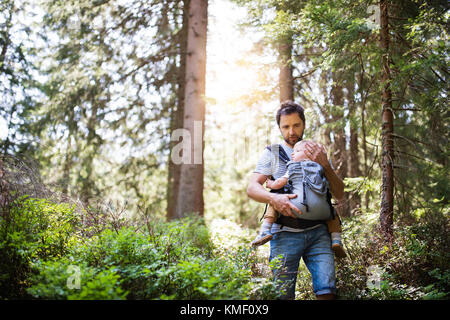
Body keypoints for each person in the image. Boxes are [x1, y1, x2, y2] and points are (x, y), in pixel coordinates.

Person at [246, 100, 345, 300]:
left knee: (327, 291)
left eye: (296, 125)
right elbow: (252, 187)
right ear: (280, 128)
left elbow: (339, 193)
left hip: (319, 232)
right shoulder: (272, 153)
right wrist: (274, 198)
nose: (292, 131)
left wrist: (325, 165)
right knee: (283, 295)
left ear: (304, 124)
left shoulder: (316, 151)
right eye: (286, 126)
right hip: (284, 234)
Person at [251, 139, 346, 259]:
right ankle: (336, 239)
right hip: (322, 213)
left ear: (309, 154)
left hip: (296, 207)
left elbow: (280, 182)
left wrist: (270, 184)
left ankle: (265, 230)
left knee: (275, 200)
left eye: (297, 151)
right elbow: (332, 189)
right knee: (332, 213)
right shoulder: (321, 168)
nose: (292, 153)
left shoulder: (293, 166)